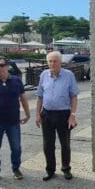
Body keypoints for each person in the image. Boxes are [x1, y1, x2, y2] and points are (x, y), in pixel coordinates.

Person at [0, 57, 30, 182]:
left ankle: (16, 169)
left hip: (13, 122)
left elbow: (23, 98)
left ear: (7, 66)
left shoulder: (16, 81)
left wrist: (27, 114)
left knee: (16, 147)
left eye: (1, 65)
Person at [35, 51, 79, 181]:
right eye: (50, 61)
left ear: (60, 62)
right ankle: (50, 170)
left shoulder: (68, 75)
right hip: (47, 114)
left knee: (65, 144)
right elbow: (39, 96)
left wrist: (73, 115)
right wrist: (37, 114)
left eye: (55, 61)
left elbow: (74, 96)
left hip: (63, 114)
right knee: (48, 144)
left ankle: (66, 169)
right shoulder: (44, 75)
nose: (52, 64)